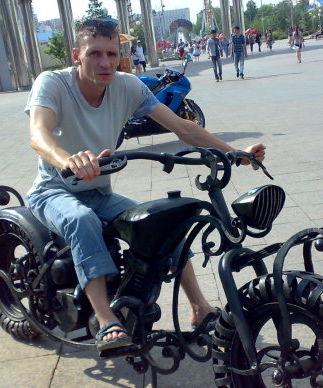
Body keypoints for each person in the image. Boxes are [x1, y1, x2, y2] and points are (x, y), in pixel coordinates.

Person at [24, 20, 266, 351]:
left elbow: (183, 127)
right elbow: (38, 134)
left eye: (112, 54)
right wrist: (68, 160)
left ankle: (199, 307)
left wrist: (234, 154)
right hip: (54, 190)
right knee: (81, 220)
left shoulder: (128, 86)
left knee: (164, 224)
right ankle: (106, 320)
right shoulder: (52, 83)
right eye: (94, 54)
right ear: (76, 55)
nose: (105, 62)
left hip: (99, 192)